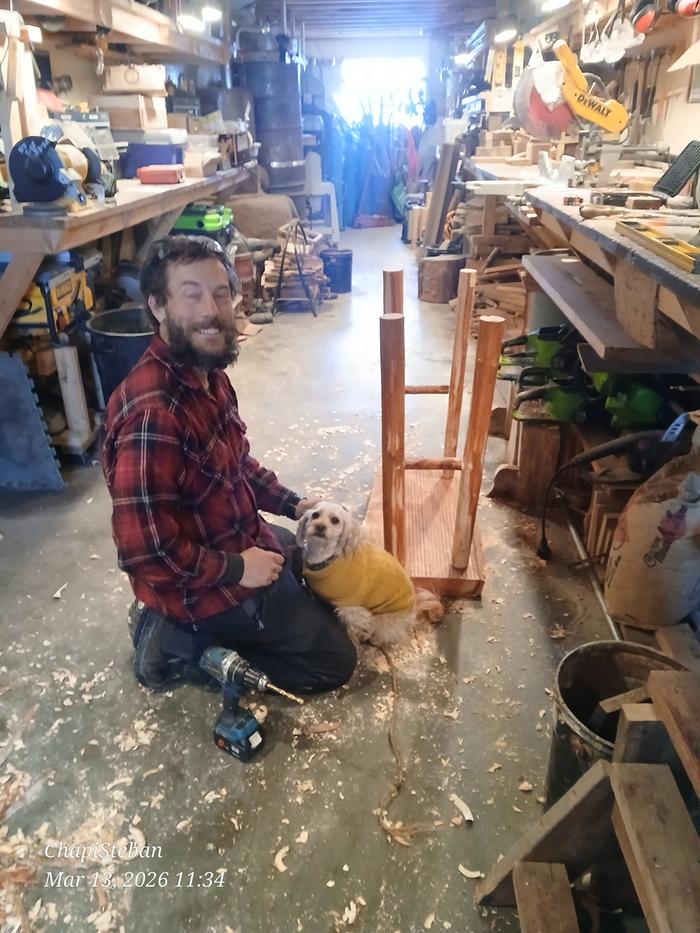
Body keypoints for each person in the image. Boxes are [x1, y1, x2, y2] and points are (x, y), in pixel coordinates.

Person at [102, 236, 356, 694]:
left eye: (221, 293)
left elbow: (236, 466)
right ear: (158, 306)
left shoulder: (207, 375)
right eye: (192, 293)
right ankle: (182, 645)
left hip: (229, 534)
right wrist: (239, 569)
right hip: (195, 584)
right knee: (334, 661)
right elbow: (146, 552)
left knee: (300, 554)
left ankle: (234, 613)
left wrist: (296, 504)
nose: (212, 309)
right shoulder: (153, 415)